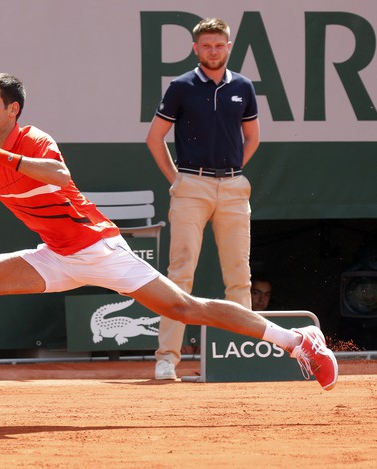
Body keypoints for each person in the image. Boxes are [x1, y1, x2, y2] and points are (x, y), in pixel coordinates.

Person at [0, 72, 337, 405]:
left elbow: (58, 172)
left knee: (184, 308)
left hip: (99, 248)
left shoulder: (33, 142)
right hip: (56, 255)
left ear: (13, 109)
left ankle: (298, 340)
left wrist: (0, 155)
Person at [145, 18, 260, 380]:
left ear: (229, 47)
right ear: (196, 49)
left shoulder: (243, 86)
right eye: (206, 45)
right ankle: (167, 358)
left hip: (233, 188)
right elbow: (154, 138)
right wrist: (178, 179)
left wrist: (233, 171)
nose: (213, 50)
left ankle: (240, 357)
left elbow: (252, 138)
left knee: (239, 275)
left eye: (219, 45)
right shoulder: (181, 87)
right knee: (180, 274)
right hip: (190, 187)